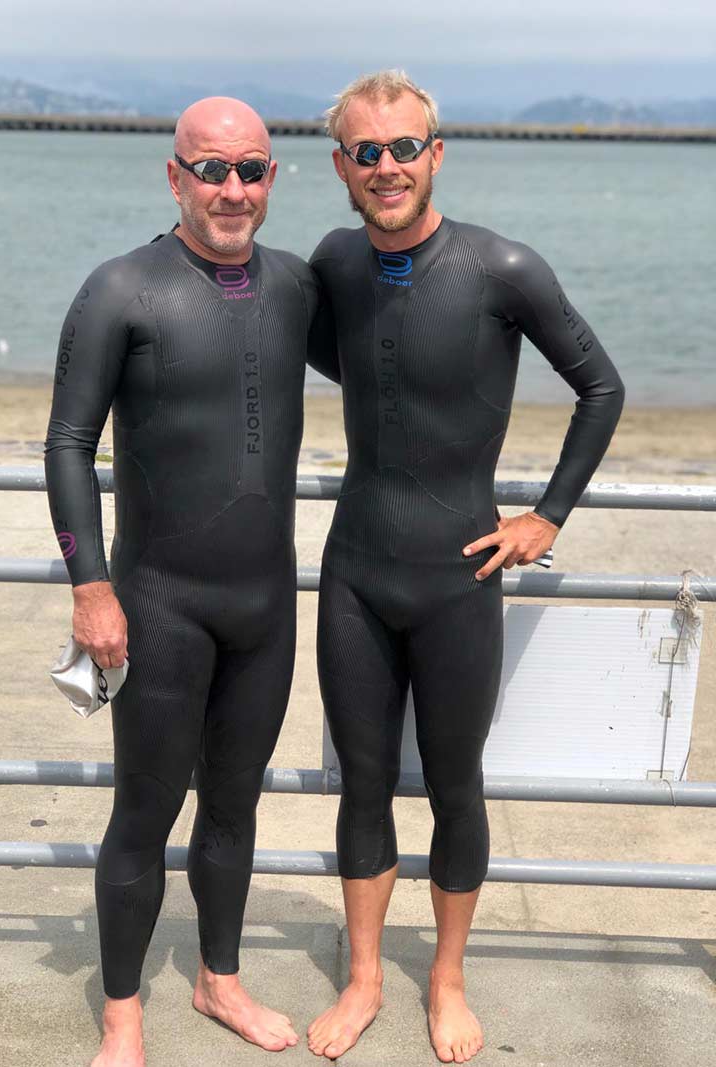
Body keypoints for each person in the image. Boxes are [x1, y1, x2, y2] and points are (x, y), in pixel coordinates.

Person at [306, 70, 625, 1064]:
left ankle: (443, 978)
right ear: (343, 168)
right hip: (355, 567)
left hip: (458, 575)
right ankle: (363, 976)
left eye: (406, 147)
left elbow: (600, 386)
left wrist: (547, 515)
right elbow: (336, 354)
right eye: (369, 151)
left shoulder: (502, 269)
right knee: (361, 783)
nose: (388, 166)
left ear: (435, 154)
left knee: (455, 785)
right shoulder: (333, 262)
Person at [44, 97, 319, 1066]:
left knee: (235, 805)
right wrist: (91, 584)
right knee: (144, 808)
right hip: (157, 602)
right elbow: (69, 441)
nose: (231, 189)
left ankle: (218, 977)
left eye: (250, 169)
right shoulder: (121, 287)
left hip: (264, 605)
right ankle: (123, 1013)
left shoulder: (293, 285)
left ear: (273, 178)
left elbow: (401, 369)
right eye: (211, 169)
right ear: (174, 176)